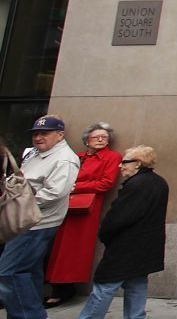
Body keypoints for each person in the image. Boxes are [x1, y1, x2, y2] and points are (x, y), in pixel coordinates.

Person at [0, 115, 80, 319]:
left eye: (44, 133)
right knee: (28, 272)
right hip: (25, 219)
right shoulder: (36, 153)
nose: (38, 137)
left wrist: (19, 201)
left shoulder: (65, 159)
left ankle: (27, 315)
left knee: (9, 272)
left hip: (36, 222)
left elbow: (55, 192)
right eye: (36, 133)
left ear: (60, 135)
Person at [77, 146, 168, 319]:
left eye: (125, 162)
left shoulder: (137, 184)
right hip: (145, 249)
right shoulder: (159, 182)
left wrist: (104, 233)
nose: (120, 166)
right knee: (136, 286)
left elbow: (118, 218)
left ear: (138, 164)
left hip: (126, 247)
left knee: (105, 286)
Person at [45, 122, 123, 308]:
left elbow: (105, 183)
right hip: (62, 205)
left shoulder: (111, 157)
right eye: (97, 136)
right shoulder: (77, 157)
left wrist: (75, 187)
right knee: (55, 246)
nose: (101, 139)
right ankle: (53, 283)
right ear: (87, 140)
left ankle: (65, 286)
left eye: (104, 137)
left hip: (85, 208)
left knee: (73, 248)